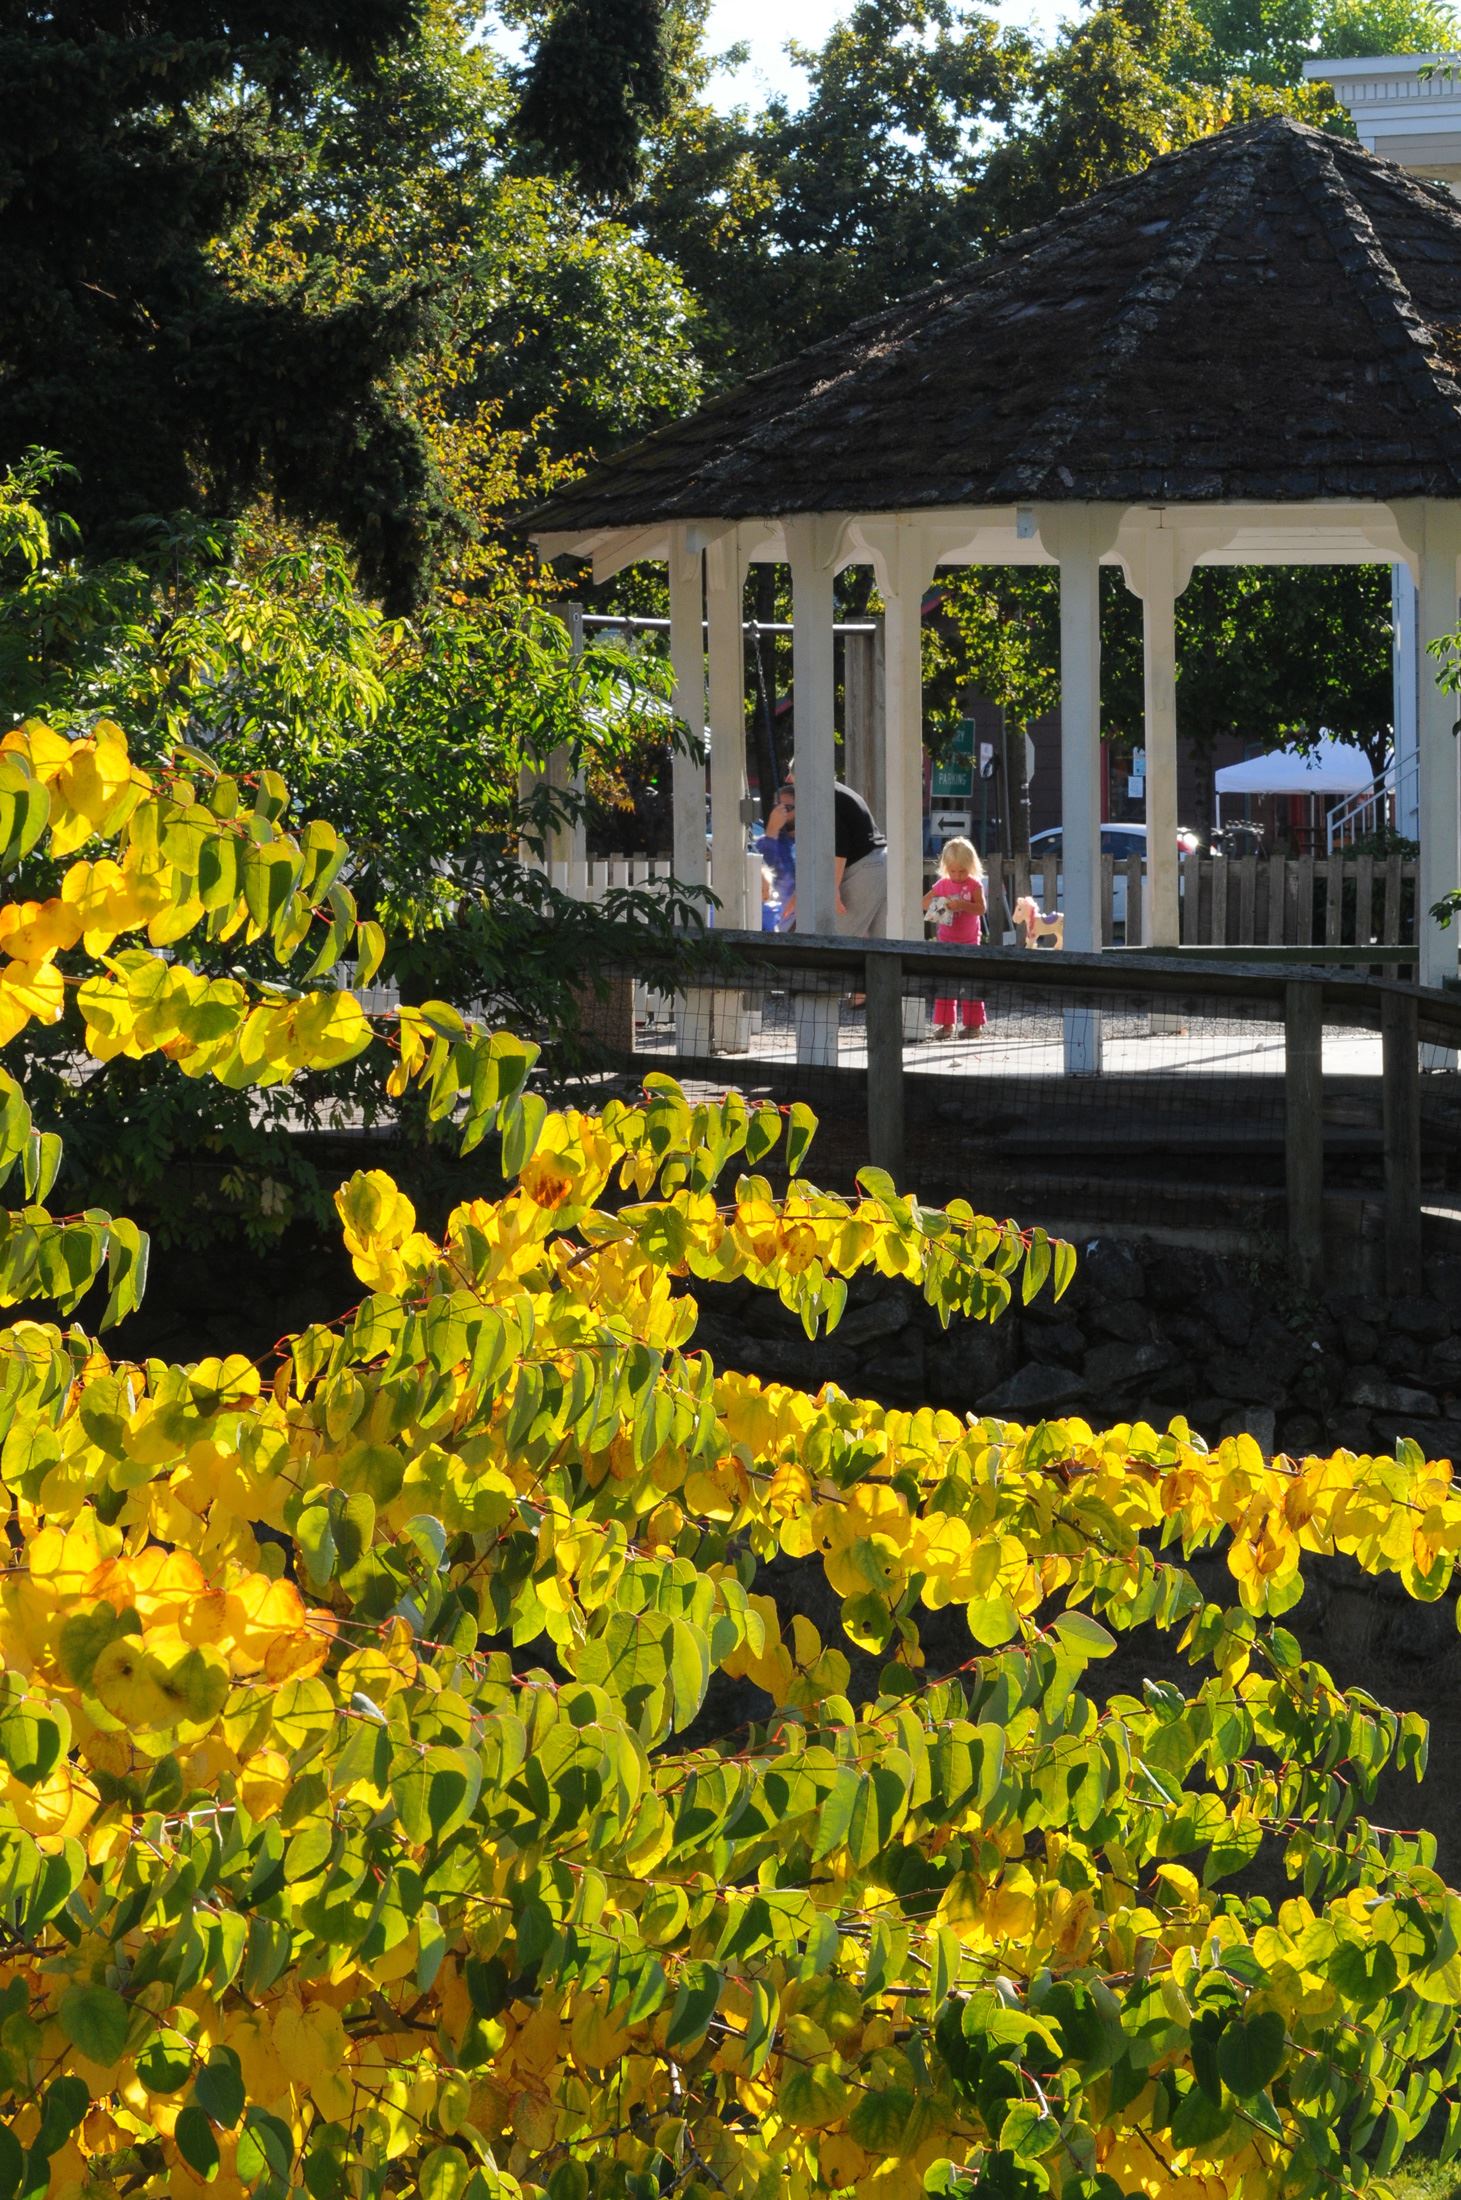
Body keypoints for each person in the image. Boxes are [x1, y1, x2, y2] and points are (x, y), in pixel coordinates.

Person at [782, 762, 887, 936]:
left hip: (863, 870)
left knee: (836, 942)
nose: (787, 779)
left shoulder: (823, 796)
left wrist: (832, 889)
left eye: (791, 773)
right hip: (879, 866)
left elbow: (839, 844)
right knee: (880, 947)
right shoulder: (838, 791)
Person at [922, 836, 988, 1038]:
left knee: (970, 983)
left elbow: (981, 909)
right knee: (945, 983)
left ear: (971, 867)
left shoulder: (974, 885)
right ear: (946, 868)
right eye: (953, 871)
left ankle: (973, 1025)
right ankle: (946, 1024)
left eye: (962, 871)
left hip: (969, 942)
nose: (958, 876)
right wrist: (942, 903)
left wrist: (962, 905)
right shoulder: (943, 884)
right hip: (946, 941)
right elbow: (924, 903)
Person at [757, 782, 796, 929]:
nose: (780, 813)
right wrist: (772, 830)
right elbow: (763, 866)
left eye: (787, 808)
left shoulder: (811, 844)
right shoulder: (768, 841)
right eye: (776, 807)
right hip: (775, 924)